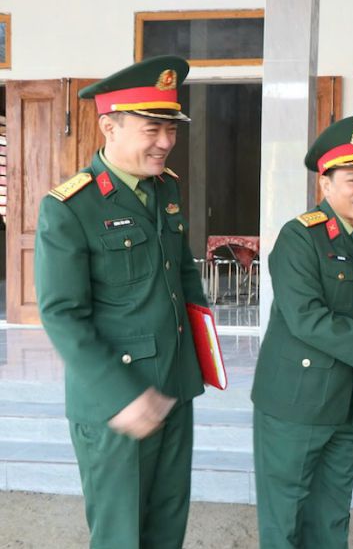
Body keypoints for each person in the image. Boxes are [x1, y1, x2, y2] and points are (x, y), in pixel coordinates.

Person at [34, 55, 208, 548]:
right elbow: (62, 315)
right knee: (121, 537)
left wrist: (202, 361)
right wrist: (121, 395)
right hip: (117, 402)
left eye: (171, 129)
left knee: (166, 528)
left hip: (174, 388)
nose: (166, 142)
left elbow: (183, 274)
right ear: (109, 125)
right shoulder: (71, 207)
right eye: (153, 129)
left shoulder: (165, 189)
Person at [250, 114, 353, 549]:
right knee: (285, 518)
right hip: (294, 401)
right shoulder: (299, 238)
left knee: (331, 514)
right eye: (352, 180)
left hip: (343, 399)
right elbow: (306, 317)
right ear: (325, 184)